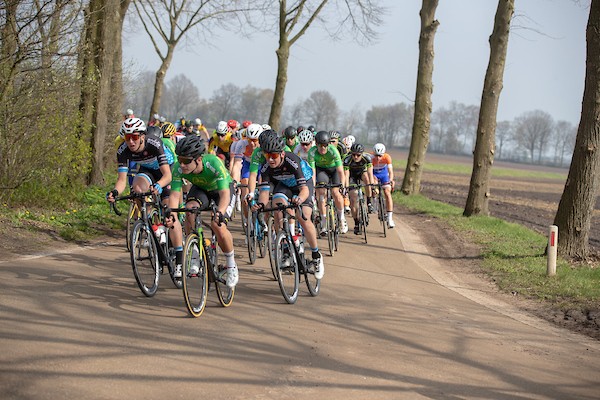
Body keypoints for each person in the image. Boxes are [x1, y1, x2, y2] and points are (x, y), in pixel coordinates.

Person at [164, 135, 239, 288]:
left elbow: (225, 194)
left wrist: (220, 213)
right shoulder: (179, 168)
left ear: (198, 159)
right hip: (201, 189)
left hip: (222, 191)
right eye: (180, 159)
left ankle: (231, 265)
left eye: (186, 161)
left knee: (218, 224)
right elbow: (174, 195)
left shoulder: (213, 163)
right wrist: (171, 214)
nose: (182, 164)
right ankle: (195, 253)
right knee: (189, 210)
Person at [106, 117, 178, 270]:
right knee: (137, 190)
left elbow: (167, 176)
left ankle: (177, 254)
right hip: (147, 171)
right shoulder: (122, 150)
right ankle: (149, 224)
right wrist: (114, 192)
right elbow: (122, 180)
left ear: (142, 136)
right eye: (127, 137)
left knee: (168, 209)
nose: (131, 142)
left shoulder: (154, 144)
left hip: (166, 170)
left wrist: (158, 186)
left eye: (135, 137)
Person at [250, 134, 324, 280]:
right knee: (277, 206)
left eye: (274, 155)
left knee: (304, 217)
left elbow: (304, 190)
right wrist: (260, 204)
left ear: (282, 153)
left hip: (303, 185)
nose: (270, 159)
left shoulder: (292, 161)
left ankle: (316, 255)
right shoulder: (265, 167)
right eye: (266, 155)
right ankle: (285, 248)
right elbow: (265, 193)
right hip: (285, 185)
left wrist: (299, 199)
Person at [308, 130, 348, 235]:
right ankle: (323, 221)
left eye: (325, 145)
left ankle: (341, 219)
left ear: (328, 144)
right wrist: (312, 187)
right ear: (316, 144)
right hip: (321, 170)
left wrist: (343, 185)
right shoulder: (312, 152)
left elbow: (340, 171)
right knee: (321, 193)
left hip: (334, 170)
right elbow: (313, 172)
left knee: (336, 193)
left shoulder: (333, 151)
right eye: (320, 146)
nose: (323, 148)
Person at [231, 123, 263, 220]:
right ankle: (248, 221)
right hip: (248, 165)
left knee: (263, 188)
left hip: (261, 165)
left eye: (255, 140)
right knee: (245, 192)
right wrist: (235, 181)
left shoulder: (264, 145)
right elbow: (237, 165)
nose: (252, 143)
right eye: (250, 140)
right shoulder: (241, 144)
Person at [343, 143, 375, 235]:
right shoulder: (347, 159)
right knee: (353, 199)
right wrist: (346, 187)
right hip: (352, 176)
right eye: (353, 154)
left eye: (358, 155)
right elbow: (346, 175)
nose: (356, 157)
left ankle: (369, 202)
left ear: (362, 154)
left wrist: (371, 185)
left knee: (367, 178)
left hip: (362, 173)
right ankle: (356, 222)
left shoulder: (367, 158)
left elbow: (370, 173)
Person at [371, 143, 395, 229]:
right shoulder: (371, 158)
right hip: (374, 175)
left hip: (384, 175)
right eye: (376, 156)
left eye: (380, 156)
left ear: (383, 154)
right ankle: (374, 202)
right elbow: (369, 172)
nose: (378, 158)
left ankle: (390, 218)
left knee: (387, 193)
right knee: (373, 187)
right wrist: (372, 181)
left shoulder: (387, 157)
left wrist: (391, 180)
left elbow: (390, 171)